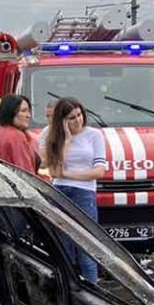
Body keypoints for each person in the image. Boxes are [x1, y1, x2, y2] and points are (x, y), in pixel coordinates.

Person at [39, 96, 108, 283]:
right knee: (64, 247)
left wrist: (68, 174)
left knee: (87, 247)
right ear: (62, 121)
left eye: (79, 115)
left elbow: (99, 171)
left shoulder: (94, 135)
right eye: (71, 118)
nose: (77, 120)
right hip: (59, 191)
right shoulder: (52, 136)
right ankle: (69, 289)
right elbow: (54, 171)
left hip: (84, 192)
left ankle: (92, 288)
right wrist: (66, 141)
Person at [0, 94, 38, 174]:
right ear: (11, 112)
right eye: (23, 111)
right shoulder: (16, 136)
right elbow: (26, 173)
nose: (28, 115)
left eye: (29, 111)